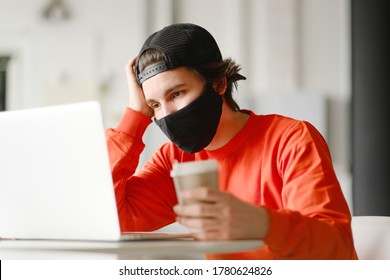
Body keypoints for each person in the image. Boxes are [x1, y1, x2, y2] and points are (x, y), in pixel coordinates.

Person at [105, 23, 357, 260]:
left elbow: (337, 250)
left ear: (218, 83)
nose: (166, 114)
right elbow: (109, 220)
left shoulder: (291, 139)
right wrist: (134, 117)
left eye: (177, 93)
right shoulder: (175, 160)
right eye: (155, 105)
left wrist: (264, 224)